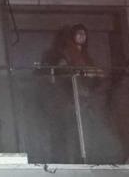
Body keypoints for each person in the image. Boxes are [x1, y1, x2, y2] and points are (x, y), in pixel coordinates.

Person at [40, 24, 97, 162]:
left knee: (83, 132)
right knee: (66, 131)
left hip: (83, 99)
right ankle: (66, 160)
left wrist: (91, 75)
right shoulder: (64, 53)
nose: (82, 36)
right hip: (67, 99)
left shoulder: (85, 55)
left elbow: (94, 73)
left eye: (84, 33)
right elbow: (60, 70)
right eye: (79, 33)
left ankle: (83, 159)